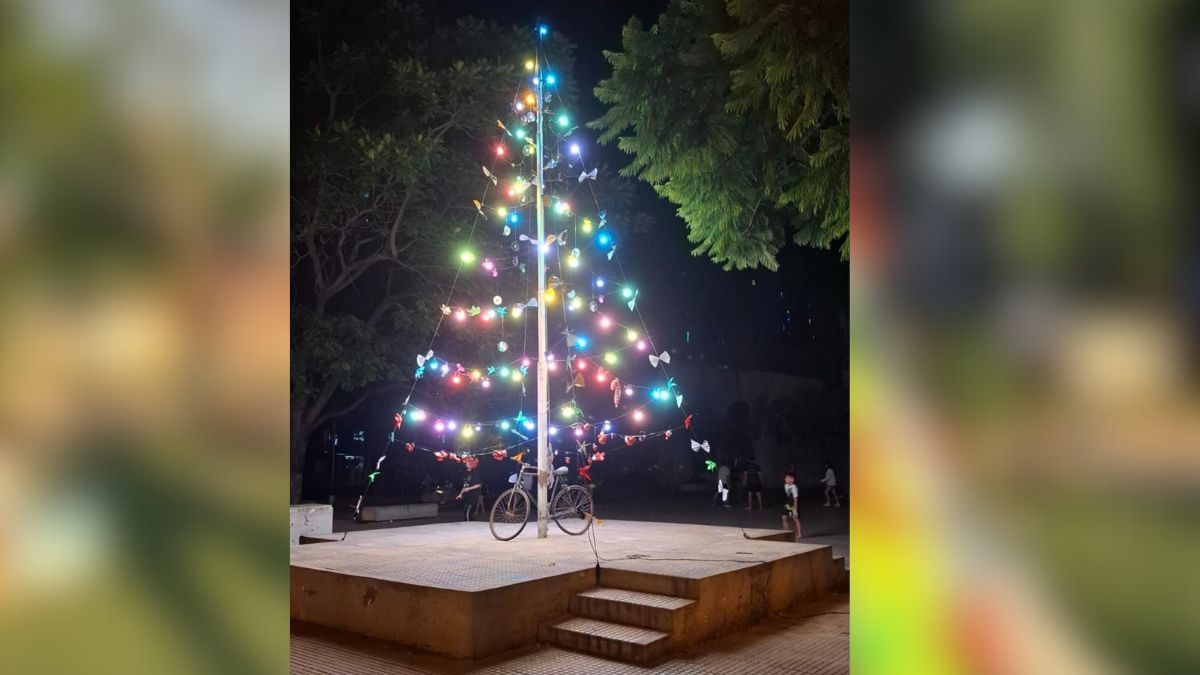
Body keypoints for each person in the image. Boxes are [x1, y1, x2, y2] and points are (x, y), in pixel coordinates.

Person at [781, 471, 801, 541]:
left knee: (795, 519)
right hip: (787, 504)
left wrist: (795, 509)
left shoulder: (794, 487)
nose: (785, 479)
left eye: (787, 478)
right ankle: (787, 533)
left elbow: (795, 499)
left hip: (793, 504)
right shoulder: (785, 486)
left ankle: (799, 534)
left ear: (792, 479)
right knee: (784, 518)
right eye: (785, 478)